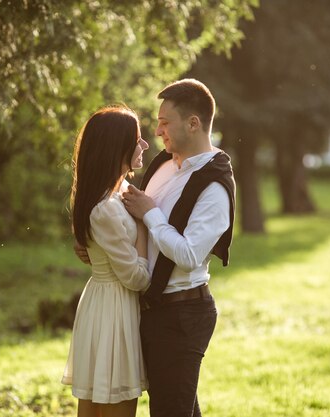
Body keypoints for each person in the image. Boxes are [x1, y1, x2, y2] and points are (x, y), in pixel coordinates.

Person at [121, 78, 236, 417]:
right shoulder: (162, 165)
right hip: (155, 311)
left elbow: (188, 255)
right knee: (178, 408)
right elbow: (137, 222)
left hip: (183, 315)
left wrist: (152, 213)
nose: (157, 131)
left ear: (193, 123)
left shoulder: (215, 186)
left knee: (171, 410)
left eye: (164, 122)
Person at [62, 105, 151, 417]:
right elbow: (137, 278)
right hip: (113, 312)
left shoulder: (119, 191)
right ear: (117, 147)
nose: (145, 145)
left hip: (105, 304)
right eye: (137, 139)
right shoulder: (108, 207)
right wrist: (143, 223)